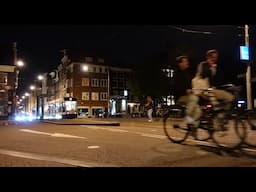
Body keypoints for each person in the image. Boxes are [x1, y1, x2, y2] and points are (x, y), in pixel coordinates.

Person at [196, 49, 234, 129]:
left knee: (228, 99)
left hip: (212, 90)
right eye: (213, 57)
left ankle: (219, 118)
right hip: (204, 91)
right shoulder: (203, 64)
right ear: (208, 57)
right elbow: (202, 75)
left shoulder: (215, 66)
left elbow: (218, 81)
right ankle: (218, 121)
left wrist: (228, 86)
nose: (214, 59)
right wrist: (210, 68)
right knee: (228, 98)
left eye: (216, 57)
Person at [173, 56, 202, 132]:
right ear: (180, 63)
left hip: (188, 97)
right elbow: (176, 87)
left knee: (199, 111)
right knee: (194, 98)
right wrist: (185, 90)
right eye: (185, 61)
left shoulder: (187, 73)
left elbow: (192, 84)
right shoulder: (177, 74)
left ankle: (192, 129)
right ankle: (187, 119)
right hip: (180, 97)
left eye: (187, 61)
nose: (187, 62)